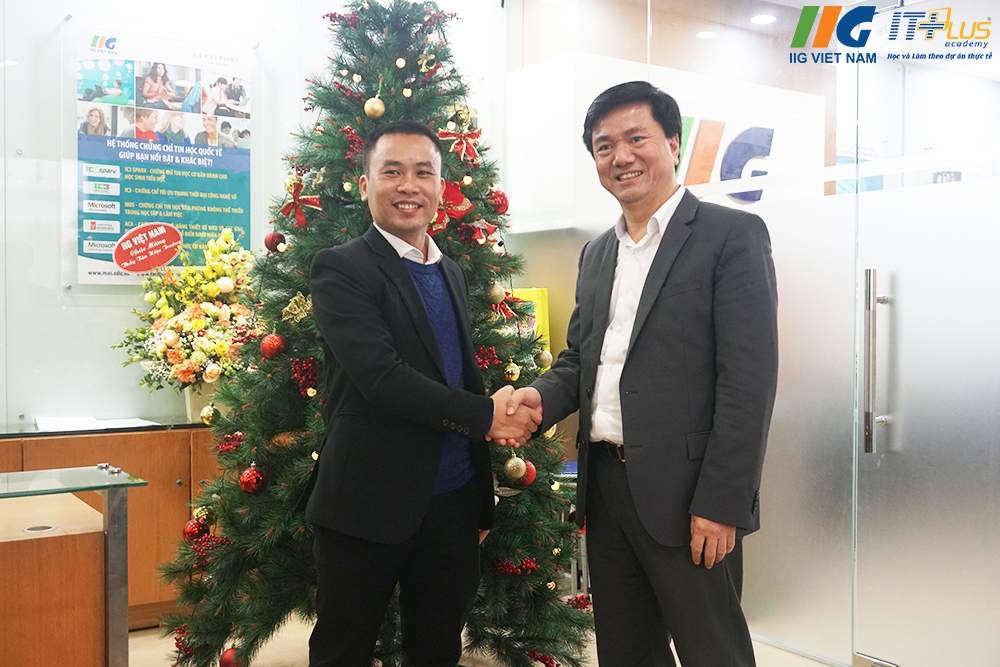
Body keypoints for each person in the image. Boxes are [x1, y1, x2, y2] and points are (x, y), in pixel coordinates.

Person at [505, 81, 779, 667]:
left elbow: (748, 383)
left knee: (713, 652)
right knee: (626, 650)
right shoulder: (597, 253)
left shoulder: (730, 236)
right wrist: (537, 399)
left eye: (636, 138)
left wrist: (723, 502)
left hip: (689, 495)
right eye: (604, 146)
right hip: (606, 488)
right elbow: (581, 361)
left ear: (673, 143)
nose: (620, 156)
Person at [303, 121, 542, 667]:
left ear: (441, 186)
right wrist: (487, 416)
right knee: (342, 649)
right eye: (392, 171)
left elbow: (455, 372)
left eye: (423, 172)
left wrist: (478, 495)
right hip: (367, 502)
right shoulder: (341, 268)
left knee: (436, 649)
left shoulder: (451, 271)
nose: (408, 185)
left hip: (452, 503)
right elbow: (382, 378)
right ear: (366, 185)